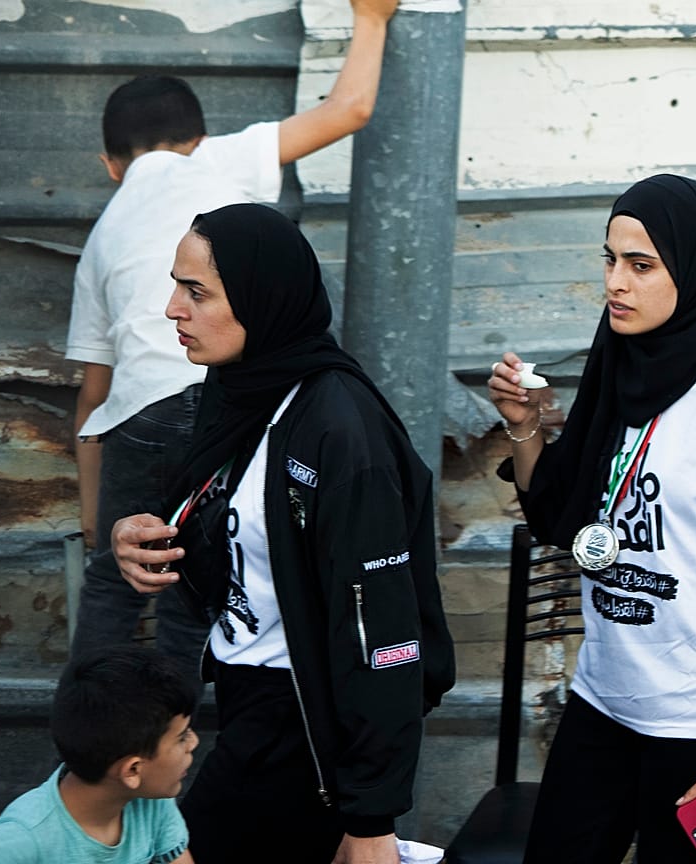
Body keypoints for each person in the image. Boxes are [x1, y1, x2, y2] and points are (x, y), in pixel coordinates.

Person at [107, 203, 456, 864]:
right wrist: (147, 538)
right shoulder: (244, 390)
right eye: (177, 285)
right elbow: (234, 537)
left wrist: (372, 819)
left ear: (262, 298)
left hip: (306, 729)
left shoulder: (342, 433)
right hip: (248, 701)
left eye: (196, 291)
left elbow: (381, 634)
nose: (172, 308)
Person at [66, 0, 402, 677]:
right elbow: (350, 110)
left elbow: (90, 404)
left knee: (115, 580)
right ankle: (184, 747)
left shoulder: (100, 240)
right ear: (196, 137)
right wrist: (372, 18)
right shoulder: (220, 161)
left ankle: (96, 742)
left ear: (109, 164)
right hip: (230, 404)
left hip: (141, 415)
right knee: (202, 579)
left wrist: (96, 526)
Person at [486, 174, 696, 863]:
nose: (616, 284)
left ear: (692, 272)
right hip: (606, 700)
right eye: (609, 259)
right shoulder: (619, 369)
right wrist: (525, 428)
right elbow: (556, 521)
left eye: (641, 265)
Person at [0, 646, 199, 864]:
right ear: (133, 770)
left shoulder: (153, 802)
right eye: (182, 737)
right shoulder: (23, 840)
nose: (194, 742)